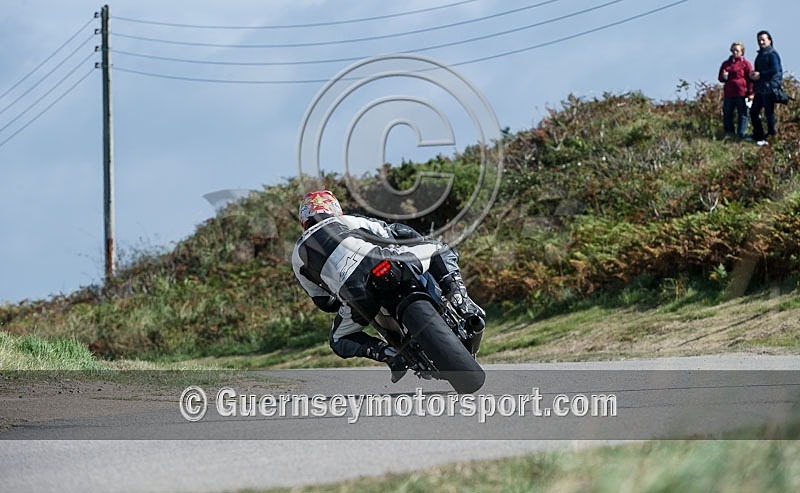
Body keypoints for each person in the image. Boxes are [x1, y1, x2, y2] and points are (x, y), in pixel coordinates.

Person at [291, 190, 486, 382]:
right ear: (334, 208)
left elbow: (324, 302)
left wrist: (342, 296)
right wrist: (415, 242)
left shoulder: (297, 256)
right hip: (388, 264)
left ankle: (389, 354)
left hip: (357, 296)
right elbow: (396, 231)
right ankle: (461, 299)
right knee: (438, 248)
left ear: (303, 220)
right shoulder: (346, 221)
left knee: (338, 340)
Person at [749, 30, 783, 146]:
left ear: (769, 40)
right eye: (759, 40)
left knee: (769, 113)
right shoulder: (760, 55)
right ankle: (758, 135)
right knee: (754, 112)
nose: (761, 42)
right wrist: (754, 76)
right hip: (760, 88)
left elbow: (775, 70)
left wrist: (760, 74)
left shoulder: (772, 54)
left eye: (763, 39)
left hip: (770, 87)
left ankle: (771, 136)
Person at [718, 41, 753, 140]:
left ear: (742, 52)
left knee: (742, 114)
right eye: (733, 50)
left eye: (737, 50)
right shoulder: (726, 64)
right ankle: (729, 133)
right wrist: (724, 76)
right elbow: (720, 78)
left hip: (742, 93)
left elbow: (750, 78)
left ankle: (741, 133)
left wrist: (751, 92)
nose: (735, 52)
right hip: (729, 93)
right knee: (727, 113)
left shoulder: (746, 64)